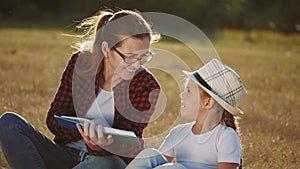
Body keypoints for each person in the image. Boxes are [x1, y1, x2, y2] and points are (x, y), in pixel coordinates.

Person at [0, 9, 161, 169]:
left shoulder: (147, 86)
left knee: (104, 163)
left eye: (144, 57)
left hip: (105, 161)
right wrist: (85, 133)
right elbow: (53, 119)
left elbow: (131, 145)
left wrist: (98, 146)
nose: (137, 65)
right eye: (130, 57)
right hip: (65, 153)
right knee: (9, 123)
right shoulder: (81, 64)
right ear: (106, 49)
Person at [126, 58, 247, 169]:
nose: (181, 95)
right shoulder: (178, 133)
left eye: (188, 91)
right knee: (150, 155)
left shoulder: (225, 136)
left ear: (208, 102)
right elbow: (160, 165)